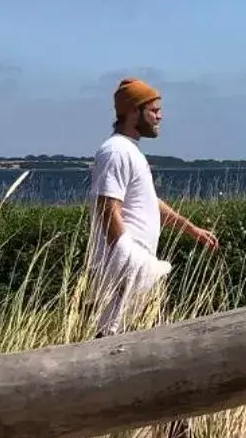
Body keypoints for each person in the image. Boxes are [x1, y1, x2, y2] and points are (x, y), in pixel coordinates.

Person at [89, 77, 218, 337]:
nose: (160, 116)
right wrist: (128, 263)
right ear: (133, 111)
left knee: (152, 339)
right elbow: (107, 207)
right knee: (115, 340)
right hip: (129, 270)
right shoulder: (116, 152)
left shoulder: (130, 151)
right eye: (154, 110)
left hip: (141, 269)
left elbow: (149, 202)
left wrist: (191, 229)